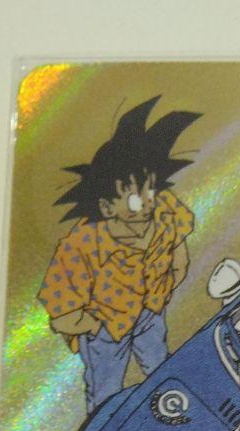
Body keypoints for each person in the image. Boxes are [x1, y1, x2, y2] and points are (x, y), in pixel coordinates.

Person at [37, 97, 201, 412]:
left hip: (150, 312)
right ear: (106, 206)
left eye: (150, 192)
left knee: (159, 366)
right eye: (135, 200)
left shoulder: (163, 209)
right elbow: (61, 307)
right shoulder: (83, 246)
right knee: (106, 393)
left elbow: (176, 239)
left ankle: (170, 414)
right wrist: (91, 326)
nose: (148, 203)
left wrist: (175, 271)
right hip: (107, 329)